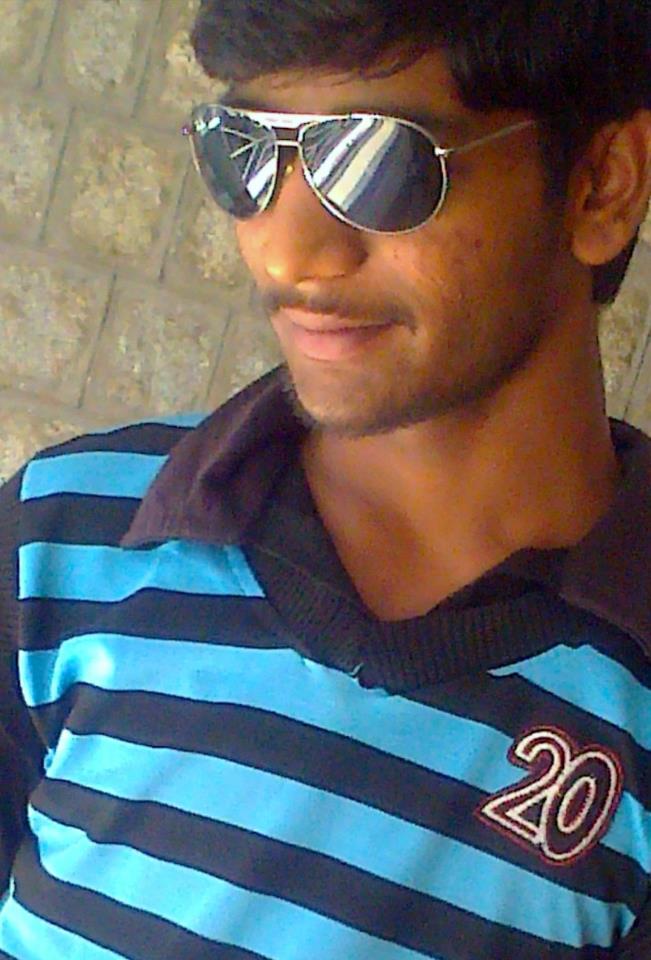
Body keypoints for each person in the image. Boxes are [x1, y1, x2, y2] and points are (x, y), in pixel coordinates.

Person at [0, 0, 650, 956]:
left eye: (377, 162)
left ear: (600, 185)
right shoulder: (61, 539)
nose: (288, 251)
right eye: (243, 152)